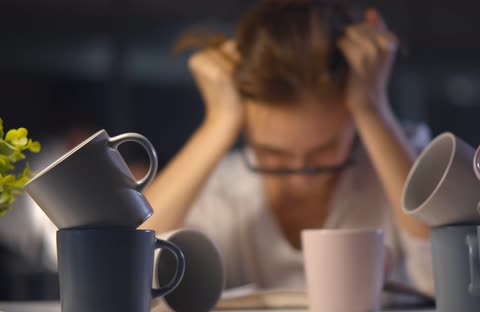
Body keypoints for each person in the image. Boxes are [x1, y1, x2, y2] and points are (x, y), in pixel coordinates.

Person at [143, 0, 434, 295]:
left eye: (323, 151)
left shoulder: (400, 160)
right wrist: (219, 121)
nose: (300, 179)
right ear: (246, 130)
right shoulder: (222, 193)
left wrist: (373, 108)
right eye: (273, 154)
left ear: (353, 120)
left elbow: (444, 278)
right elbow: (128, 271)